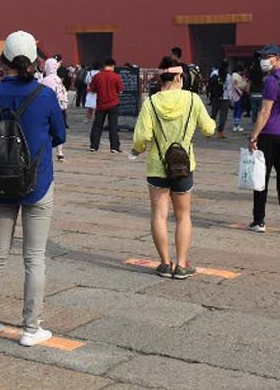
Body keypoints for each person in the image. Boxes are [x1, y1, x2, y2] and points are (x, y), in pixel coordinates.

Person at [0, 31, 64, 347]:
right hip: (37, 181)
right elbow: (59, 135)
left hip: (0, 181)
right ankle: (30, 329)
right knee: (35, 259)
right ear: (33, 59)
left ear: (4, 58)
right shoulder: (44, 95)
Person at [133, 55, 215, 279]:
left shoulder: (151, 102)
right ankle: (181, 264)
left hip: (157, 166)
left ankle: (164, 263)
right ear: (179, 76)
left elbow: (142, 138)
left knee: (159, 215)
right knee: (183, 216)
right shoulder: (192, 99)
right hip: (183, 165)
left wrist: (138, 149)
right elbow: (209, 129)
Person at [247, 45, 280, 234]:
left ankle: (259, 220)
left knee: (261, 178)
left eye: (266, 57)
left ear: (276, 58)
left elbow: (265, 111)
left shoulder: (271, 81)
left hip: (269, 133)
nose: (263, 61)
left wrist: (253, 136)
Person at [87, 58, 123, 153]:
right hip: (113, 103)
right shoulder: (116, 77)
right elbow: (120, 90)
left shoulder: (97, 76)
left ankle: (94, 146)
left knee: (97, 125)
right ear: (112, 66)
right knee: (113, 126)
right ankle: (114, 147)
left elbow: (92, 89)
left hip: (101, 104)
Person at [39, 57, 69, 162]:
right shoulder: (58, 79)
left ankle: (44, 150)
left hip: (48, 109)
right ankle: (60, 152)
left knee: (46, 131)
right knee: (58, 129)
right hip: (59, 108)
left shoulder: (46, 80)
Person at [209, 61, 231, 139]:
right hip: (225, 98)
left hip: (215, 97)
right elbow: (229, 89)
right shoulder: (228, 76)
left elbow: (211, 84)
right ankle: (220, 132)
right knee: (223, 116)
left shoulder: (214, 73)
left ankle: (209, 131)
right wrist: (230, 98)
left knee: (213, 114)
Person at [229, 65, 249, 132]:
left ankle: (235, 125)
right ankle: (237, 125)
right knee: (239, 111)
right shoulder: (236, 76)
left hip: (233, 96)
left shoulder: (231, 76)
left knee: (236, 111)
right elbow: (236, 85)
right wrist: (240, 91)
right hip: (238, 96)